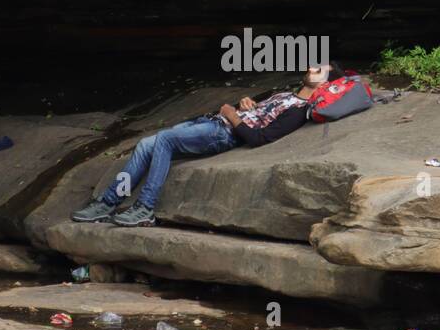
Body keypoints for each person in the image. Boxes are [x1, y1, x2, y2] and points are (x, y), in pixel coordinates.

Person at [71, 63, 343, 227]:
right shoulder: (285, 94)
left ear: (326, 84)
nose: (311, 68)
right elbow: (257, 115)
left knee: (164, 140)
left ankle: (145, 209)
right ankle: (108, 203)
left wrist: (232, 115)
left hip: (222, 134)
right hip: (211, 123)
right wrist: (248, 105)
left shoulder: (300, 109)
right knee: (145, 144)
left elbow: (260, 138)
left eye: (319, 70)